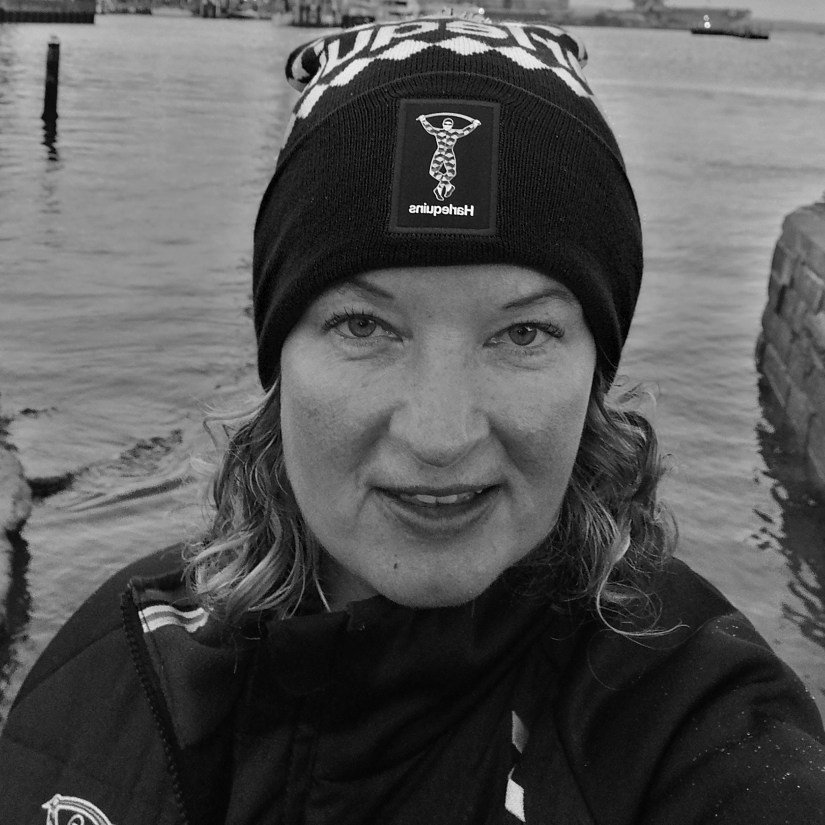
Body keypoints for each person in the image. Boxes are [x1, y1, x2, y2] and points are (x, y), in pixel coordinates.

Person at [1, 16, 824, 825]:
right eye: (363, 325)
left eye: (522, 332)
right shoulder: (126, 674)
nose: (439, 437)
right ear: (278, 355)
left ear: (594, 374)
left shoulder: (694, 721)